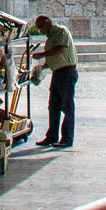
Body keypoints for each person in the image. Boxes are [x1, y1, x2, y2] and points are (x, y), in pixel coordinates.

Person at [30, 13, 78, 150]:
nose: (40, 31)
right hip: (57, 72)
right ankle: (52, 136)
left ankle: (67, 138)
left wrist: (42, 55)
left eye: (40, 28)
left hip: (67, 72)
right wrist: (42, 66)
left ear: (46, 23)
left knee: (67, 106)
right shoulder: (50, 37)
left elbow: (60, 49)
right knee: (54, 106)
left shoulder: (61, 31)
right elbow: (53, 56)